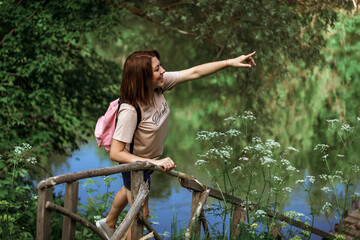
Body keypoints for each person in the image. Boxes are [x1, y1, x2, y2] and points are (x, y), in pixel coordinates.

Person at [96, 50, 256, 239]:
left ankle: (108, 223)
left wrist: (229, 62)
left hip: (148, 161)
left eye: (160, 66)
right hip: (136, 166)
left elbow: (194, 72)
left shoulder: (157, 87)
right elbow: (116, 153)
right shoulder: (131, 110)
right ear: (143, 77)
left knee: (127, 189)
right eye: (157, 69)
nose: (163, 71)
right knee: (141, 215)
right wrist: (153, 163)